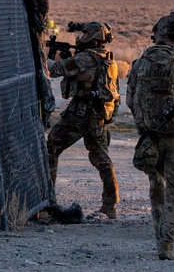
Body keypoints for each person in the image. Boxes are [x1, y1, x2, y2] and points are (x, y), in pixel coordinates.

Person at [127, 12, 174, 260]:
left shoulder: (141, 62)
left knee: (156, 187)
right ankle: (167, 244)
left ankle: (159, 235)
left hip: (149, 136)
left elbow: (131, 99)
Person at [46, 21, 121, 221]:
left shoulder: (87, 58)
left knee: (51, 147)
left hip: (82, 112)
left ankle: (47, 201)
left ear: (93, 36)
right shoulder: (107, 58)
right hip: (99, 114)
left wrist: (46, 58)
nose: (81, 36)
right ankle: (110, 205)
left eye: (85, 32)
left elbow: (55, 70)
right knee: (101, 157)